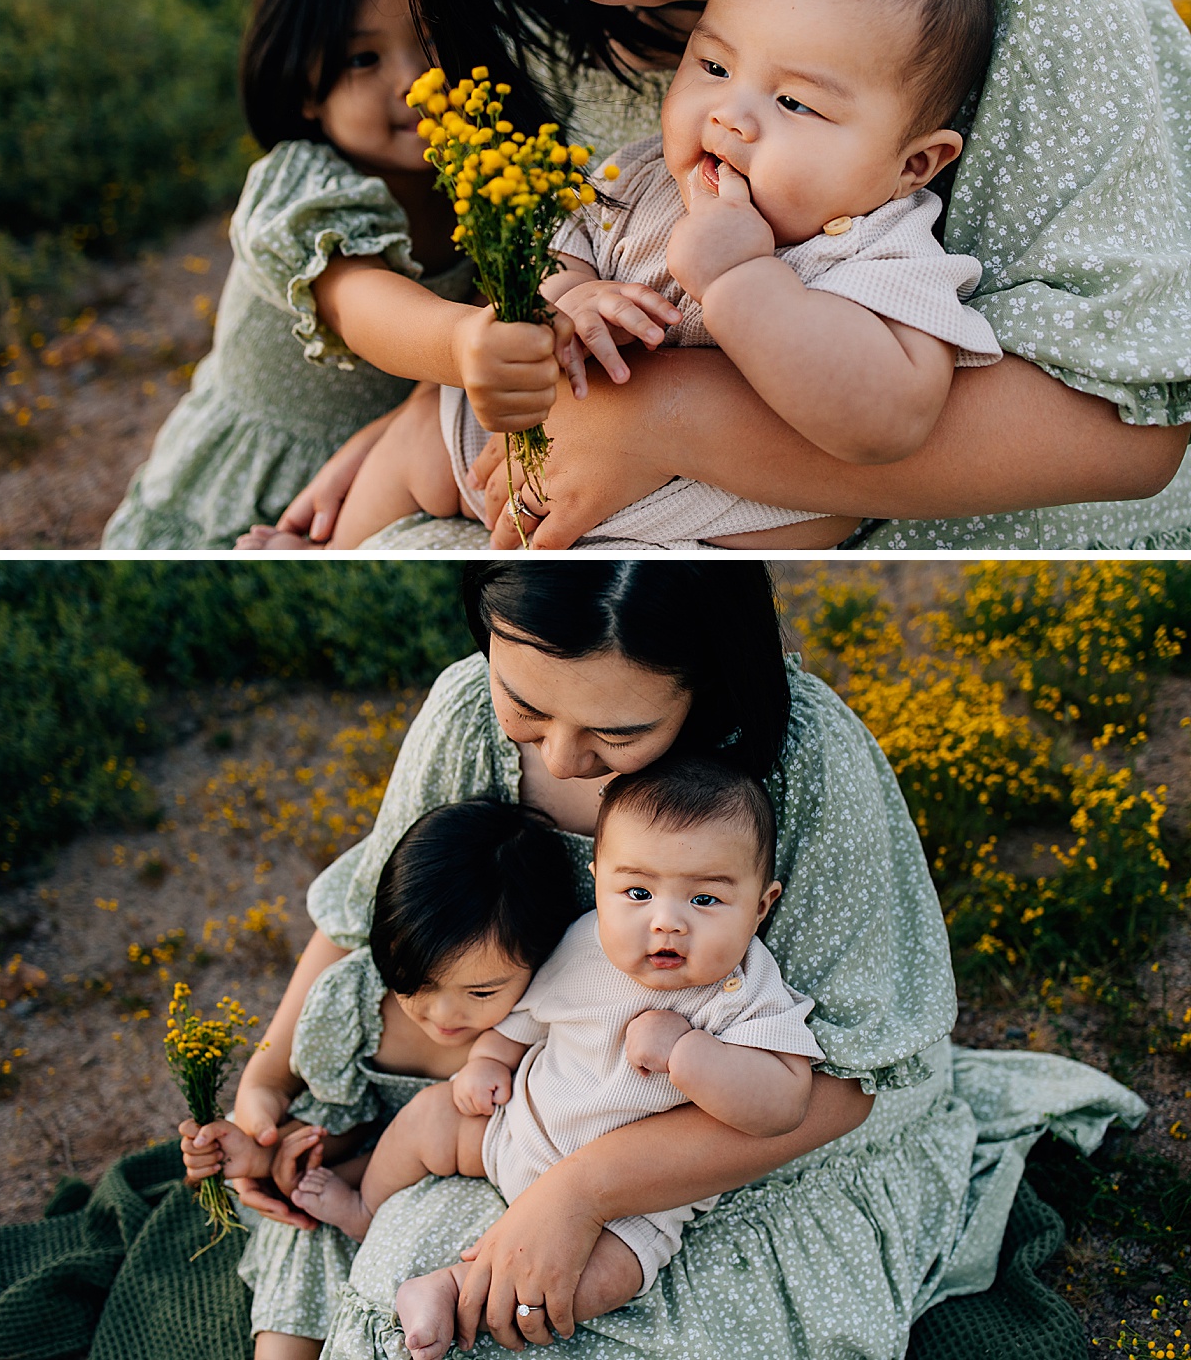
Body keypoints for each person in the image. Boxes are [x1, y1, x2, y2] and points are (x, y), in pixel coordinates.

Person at [225, 561, 1143, 1360]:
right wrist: (266, 1075)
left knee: (552, 1315)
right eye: (528, 708)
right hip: (544, 1098)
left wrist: (581, 1195)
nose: (565, 755)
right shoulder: (465, 712)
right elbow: (364, 917)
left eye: (618, 735)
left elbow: (841, 1088)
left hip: (744, 1149)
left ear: (706, 687)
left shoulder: (809, 762)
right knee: (397, 1275)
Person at [326, 0, 1191, 553]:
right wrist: (464, 388)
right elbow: (567, 247)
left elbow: (1128, 428)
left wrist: (659, 416)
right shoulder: (549, 16)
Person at [293, 759, 820, 1360]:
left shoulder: (749, 990)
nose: (667, 921)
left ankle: (452, 1288)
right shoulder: (584, 944)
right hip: (516, 1128)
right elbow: (524, 1021)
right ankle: (365, 1204)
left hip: (631, 1202)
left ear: (761, 904)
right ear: (598, 881)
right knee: (430, 1117)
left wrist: (686, 1052)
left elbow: (783, 1103)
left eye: (705, 898)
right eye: (638, 892)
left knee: (605, 1280)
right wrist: (489, 1062)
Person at [100, 0, 557, 549]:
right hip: (250, 496)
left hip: (382, 466)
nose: (412, 78)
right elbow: (359, 301)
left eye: (433, 36)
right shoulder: (302, 188)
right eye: (362, 59)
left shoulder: (490, 179)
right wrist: (464, 344)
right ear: (306, 85)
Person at [178, 798, 582, 1360]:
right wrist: (260, 1145)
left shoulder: (542, 1033)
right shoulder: (356, 1005)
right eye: (414, 982)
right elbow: (311, 1111)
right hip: (357, 1177)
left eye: (481, 992)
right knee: (307, 1241)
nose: (442, 1015)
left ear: (543, 961)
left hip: (469, 1197)